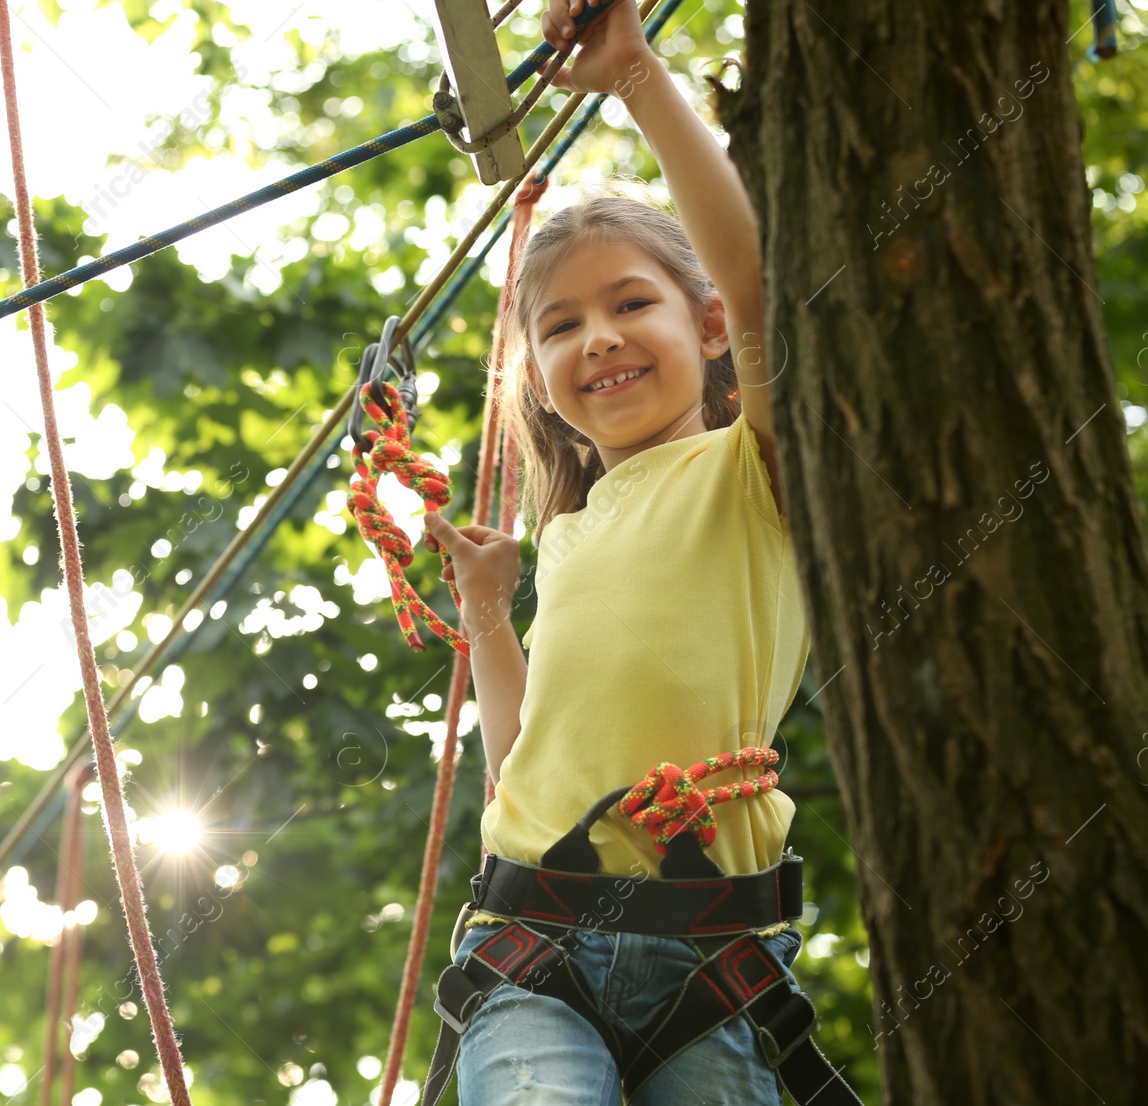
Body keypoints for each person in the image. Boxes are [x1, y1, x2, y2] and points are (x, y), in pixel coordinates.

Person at [417, 3, 858, 1104]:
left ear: (706, 330)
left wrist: (636, 79)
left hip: (708, 958)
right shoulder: (567, 536)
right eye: (558, 326)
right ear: (540, 379)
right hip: (534, 944)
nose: (596, 337)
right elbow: (518, 765)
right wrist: (487, 615)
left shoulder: (749, 470)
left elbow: (757, 283)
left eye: (629, 303)